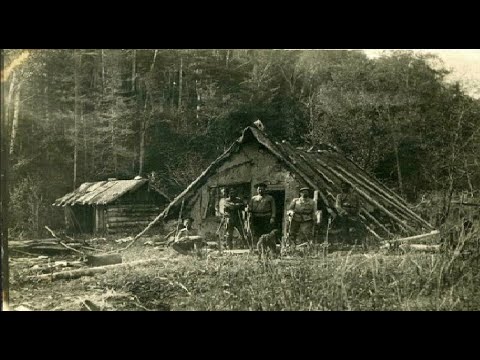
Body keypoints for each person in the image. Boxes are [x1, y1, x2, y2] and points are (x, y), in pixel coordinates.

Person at [247, 182, 276, 249]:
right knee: (256, 233)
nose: (260, 191)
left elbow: (273, 208)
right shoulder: (253, 198)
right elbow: (250, 208)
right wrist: (248, 210)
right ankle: (258, 247)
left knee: (266, 234)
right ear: (257, 190)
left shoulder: (270, 198)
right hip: (256, 217)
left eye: (262, 189)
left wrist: (273, 217)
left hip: (266, 217)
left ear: (265, 190)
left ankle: (266, 247)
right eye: (259, 189)